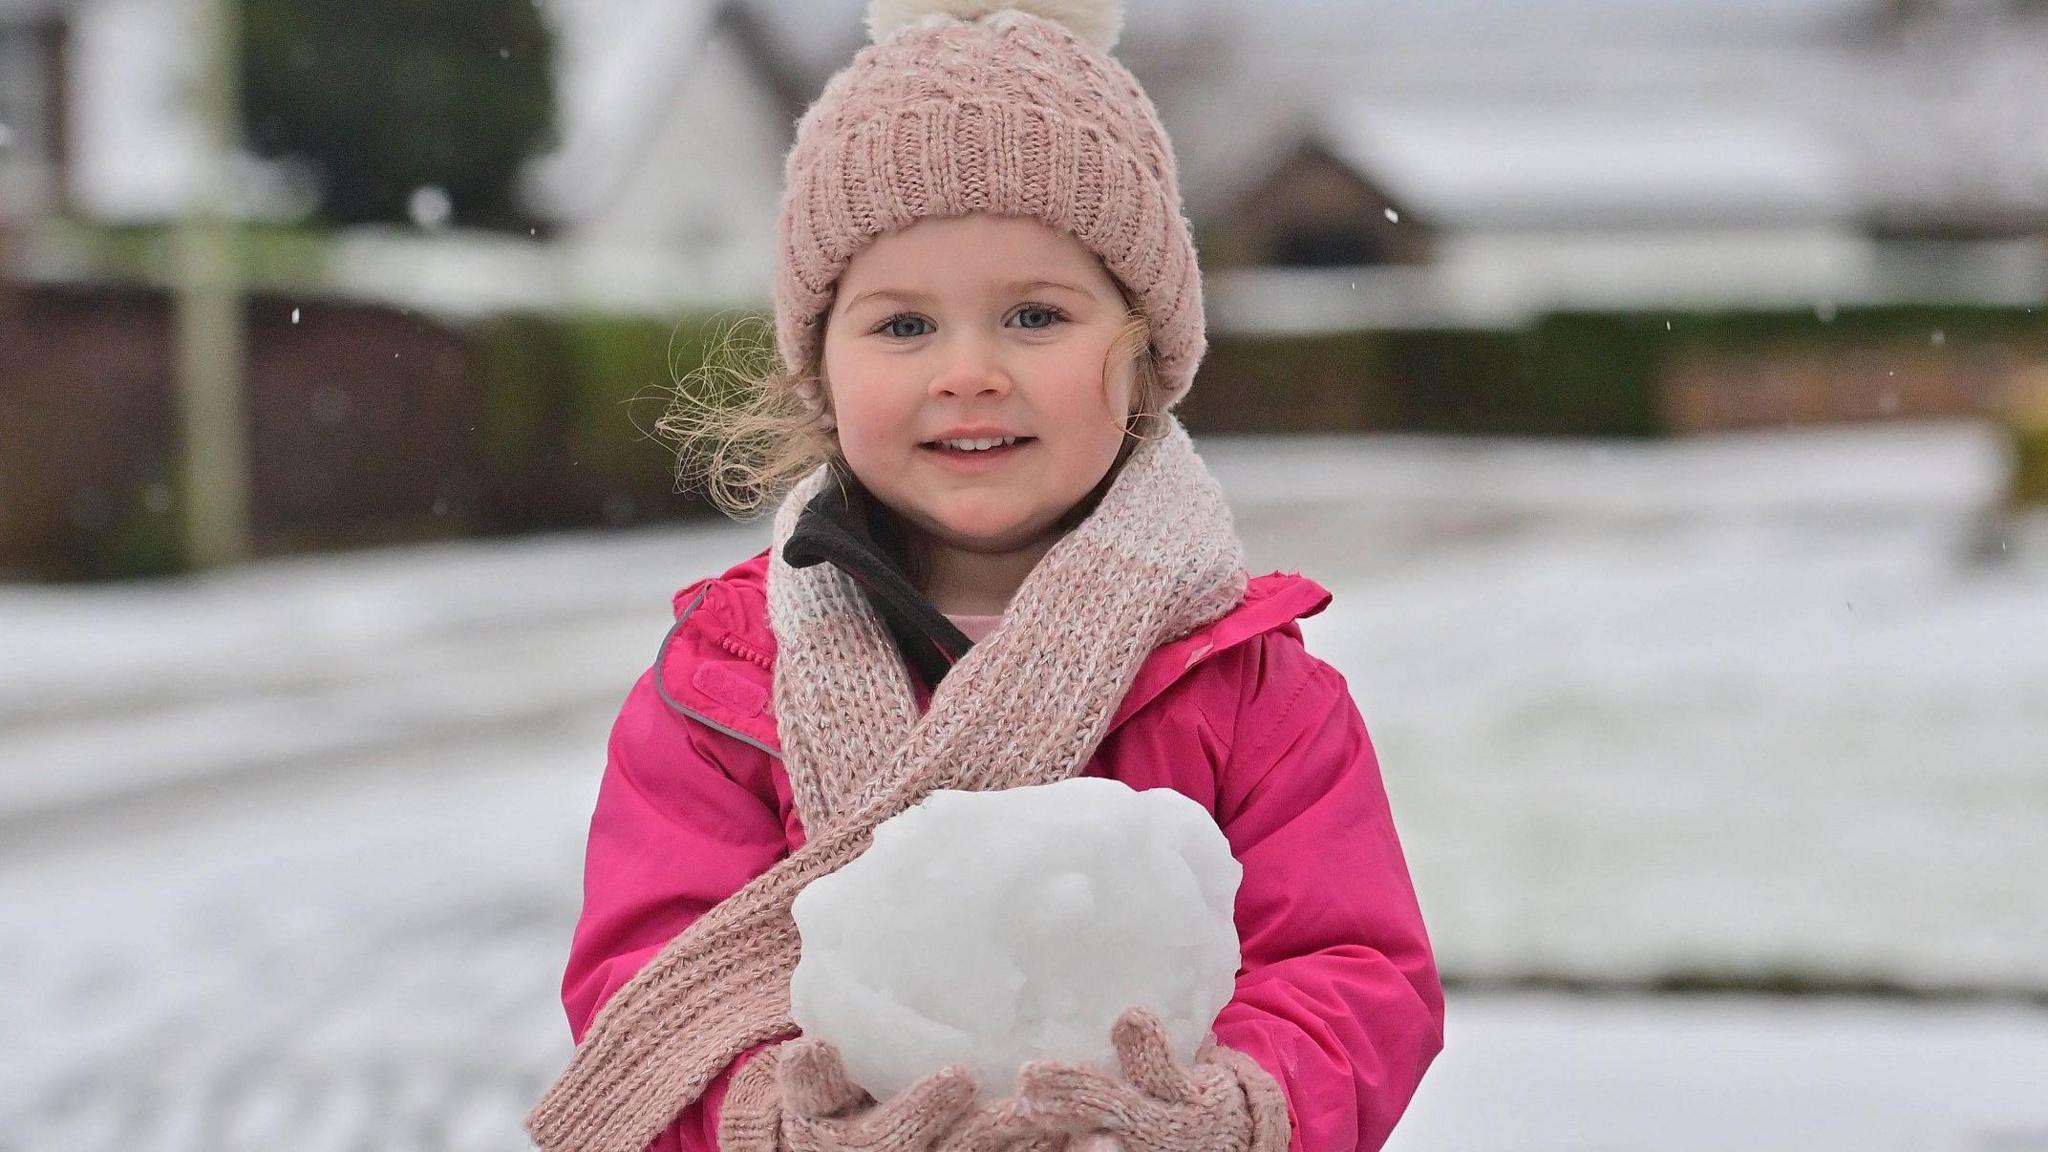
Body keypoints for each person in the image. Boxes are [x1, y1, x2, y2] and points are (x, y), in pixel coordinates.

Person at [524, 3, 1444, 1150]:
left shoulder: (1248, 689)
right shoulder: (723, 688)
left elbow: (1353, 973)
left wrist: (1233, 1109)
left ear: (1146, 351)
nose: (967, 372)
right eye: (903, 325)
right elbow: (647, 986)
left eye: (1032, 315)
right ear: (819, 366)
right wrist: (770, 1121)